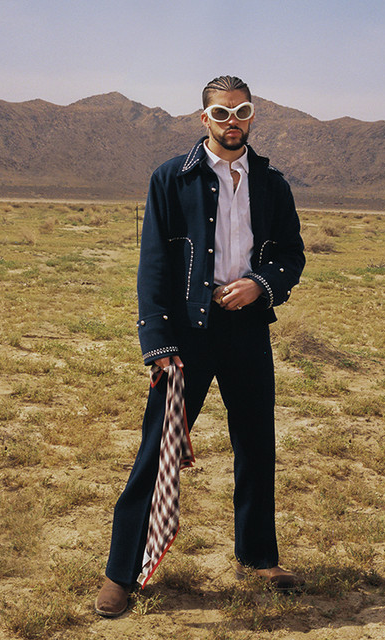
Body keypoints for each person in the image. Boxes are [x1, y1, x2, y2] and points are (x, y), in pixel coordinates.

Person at [95, 75, 306, 618]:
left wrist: (261, 284)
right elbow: (154, 264)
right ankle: (121, 573)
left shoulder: (271, 184)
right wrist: (157, 340)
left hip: (248, 330)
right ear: (203, 118)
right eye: (221, 113)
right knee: (159, 447)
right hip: (188, 333)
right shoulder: (172, 178)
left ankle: (259, 557)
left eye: (242, 111)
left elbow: (291, 255)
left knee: (256, 445)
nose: (232, 122)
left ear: (253, 115)